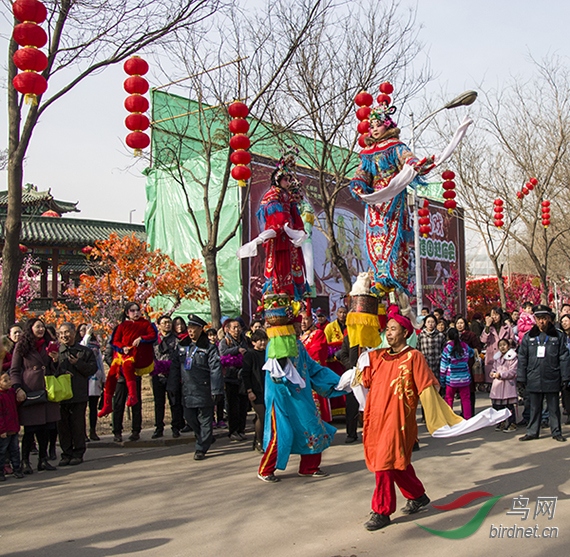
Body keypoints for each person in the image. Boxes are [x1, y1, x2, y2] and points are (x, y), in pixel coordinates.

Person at [359, 310, 438, 531]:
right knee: (395, 463)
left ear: (405, 332)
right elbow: (365, 381)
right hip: (376, 418)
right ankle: (418, 496)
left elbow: (426, 386)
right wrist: (362, 354)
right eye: (388, 329)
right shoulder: (379, 356)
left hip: (398, 419)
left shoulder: (414, 357)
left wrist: (439, 418)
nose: (389, 333)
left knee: (384, 463)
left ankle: (382, 511)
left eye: (394, 329)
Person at [257, 334, 347, 483]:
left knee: (312, 426)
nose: (300, 327)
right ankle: (266, 469)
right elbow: (276, 372)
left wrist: (339, 381)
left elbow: (311, 367)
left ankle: (309, 467)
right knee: (282, 432)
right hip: (281, 395)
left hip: (301, 395)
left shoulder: (298, 343)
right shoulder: (276, 342)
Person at [10, 318, 59, 473]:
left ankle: (43, 460)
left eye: (42, 327)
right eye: (38, 327)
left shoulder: (48, 345)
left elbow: (55, 369)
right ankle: (25, 462)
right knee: (30, 429)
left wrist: (55, 360)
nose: (41, 329)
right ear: (30, 329)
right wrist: (17, 388)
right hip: (30, 391)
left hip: (46, 390)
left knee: (46, 428)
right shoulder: (22, 346)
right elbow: (15, 370)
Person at [171, 314, 222, 460]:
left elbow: (215, 369)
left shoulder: (209, 348)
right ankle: (205, 437)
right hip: (187, 390)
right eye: (189, 328)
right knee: (190, 418)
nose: (191, 331)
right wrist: (172, 386)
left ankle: (201, 448)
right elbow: (175, 366)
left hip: (204, 389)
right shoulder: (182, 345)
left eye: (194, 328)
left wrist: (216, 389)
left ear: (201, 329)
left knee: (205, 419)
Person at [517, 305, 570, 442]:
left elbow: (564, 357)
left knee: (553, 407)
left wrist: (565, 377)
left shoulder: (558, 335)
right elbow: (522, 358)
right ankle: (532, 431)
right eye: (539, 319)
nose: (541, 322)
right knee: (534, 407)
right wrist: (521, 378)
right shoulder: (529, 337)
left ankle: (556, 431)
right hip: (533, 376)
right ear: (535, 319)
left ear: (549, 319)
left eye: (544, 319)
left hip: (552, 375)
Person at [98, 302, 157, 418]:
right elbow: (114, 341)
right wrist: (122, 348)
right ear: (127, 313)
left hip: (135, 360)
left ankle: (133, 397)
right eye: (132, 311)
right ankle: (107, 405)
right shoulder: (121, 326)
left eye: (137, 310)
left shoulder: (145, 324)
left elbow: (153, 336)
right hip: (120, 358)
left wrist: (142, 338)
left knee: (128, 366)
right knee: (111, 379)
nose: (136, 313)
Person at [56, 323, 97, 466]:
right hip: (61, 395)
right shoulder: (56, 352)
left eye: (66, 332)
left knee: (77, 424)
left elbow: (92, 369)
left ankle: (78, 452)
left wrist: (78, 363)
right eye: (61, 333)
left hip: (78, 393)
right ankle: (66, 453)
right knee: (63, 426)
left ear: (74, 333)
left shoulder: (85, 352)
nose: (64, 336)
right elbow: (49, 371)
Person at [151, 315, 185, 439]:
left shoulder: (176, 340)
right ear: (159, 325)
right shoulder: (154, 340)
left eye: (169, 322)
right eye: (164, 323)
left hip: (172, 375)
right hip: (157, 375)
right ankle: (158, 427)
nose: (167, 325)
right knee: (159, 403)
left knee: (174, 402)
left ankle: (176, 427)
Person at [219, 319, 250, 441]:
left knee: (243, 405)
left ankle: (241, 429)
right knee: (233, 407)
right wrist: (236, 350)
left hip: (243, 377)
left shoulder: (244, 340)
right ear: (228, 329)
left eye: (238, 327)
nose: (237, 330)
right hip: (231, 377)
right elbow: (222, 353)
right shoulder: (225, 341)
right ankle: (233, 430)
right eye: (234, 328)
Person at [300, 312, 332, 423]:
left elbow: (317, 352)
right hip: (302, 375)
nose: (303, 322)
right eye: (301, 319)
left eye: (306, 319)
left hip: (314, 374)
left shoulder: (318, 334)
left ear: (312, 320)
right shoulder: (300, 337)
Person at [242, 329, 268, 452]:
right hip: (255, 390)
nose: (263, 343)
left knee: (264, 417)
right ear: (253, 342)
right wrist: (249, 391)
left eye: (264, 340)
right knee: (262, 416)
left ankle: (257, 439)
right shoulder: (250, 355)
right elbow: (245, 374)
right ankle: (259, 442)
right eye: (260, 341)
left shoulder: (268, 353)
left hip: (267, 389)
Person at [79, 325, 105, 441]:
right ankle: (82, 433)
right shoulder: (79, 344)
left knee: (93, 407)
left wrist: (103, 378)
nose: (85, 331)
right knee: (81, 409)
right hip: (83, 379)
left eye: (87, 329)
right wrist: (87, 335)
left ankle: (93, 430)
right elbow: (82, 348)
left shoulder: (96, 346)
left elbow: (99, 360)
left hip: (95, 378)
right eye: (82, 330)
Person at [440, 328, 473, 419]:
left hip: (451, 379)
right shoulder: (465, 346)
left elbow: (443, 367)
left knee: (449, 399)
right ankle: (467, 418)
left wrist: (442, 380)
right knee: (466, 399)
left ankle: (449, 418)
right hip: (464, 378)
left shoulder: (447, 348)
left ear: (448, 337)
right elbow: (472, 353)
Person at [455, 315, 482, 416]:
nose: (460, 325)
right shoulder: (454, 336)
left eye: (461, 323)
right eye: (458, 323)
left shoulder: (471, 335)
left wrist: (468, 352)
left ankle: (470, 411)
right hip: (457, 366)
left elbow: (477, 348)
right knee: (461, 390)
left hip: (468, 365)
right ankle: (464, 411)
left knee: (470, 390)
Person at [480, 307, 515, 384]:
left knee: (504, 379)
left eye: (496, 315)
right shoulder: (489, 328)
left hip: (504, 356)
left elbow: (513, 340)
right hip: (492, 356)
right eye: (492, 315)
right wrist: (487, 326)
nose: (494, 317)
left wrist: (509, 342)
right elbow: (483, 340)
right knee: (493, 381)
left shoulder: (507, 327)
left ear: (500, 315)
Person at [490, 339, 518, 432]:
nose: (502, 347)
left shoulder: (513, 357)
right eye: (500, 345)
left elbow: (513, 371)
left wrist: (501, 374)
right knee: (498, 406)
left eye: (504, 345)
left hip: (508, 385)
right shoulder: (497, 358)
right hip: (498, 385)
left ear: (508, 346)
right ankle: (500, 422)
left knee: (509, 405)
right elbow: (494, 368)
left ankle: (512, 423)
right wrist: (493, 372)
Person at [0, 371, 24, 480]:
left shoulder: (11, 393)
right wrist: (2, 430)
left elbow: (15, 405)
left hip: (14, 428)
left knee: (15, 450)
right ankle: (1, 472)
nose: (9, 382)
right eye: (5, 380)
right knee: (2, 451)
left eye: (9, 380)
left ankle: (17, 469)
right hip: (5, 431)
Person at [417, 315, 446, 388]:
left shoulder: (440, 336)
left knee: (438, 387)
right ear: (425, 324)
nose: (430, 324)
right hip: (425, 365)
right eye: (428, 322)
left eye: (432, 322)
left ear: (435, 323)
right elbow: (417, 350)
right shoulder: (420, 336)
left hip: (438, 365)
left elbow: (444, 350)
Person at [558, 314, 570, 424]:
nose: (564, 323)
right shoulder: (560, 336)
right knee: (565, 392)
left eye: (566, 321)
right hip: (564, 368)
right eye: (563, 321)